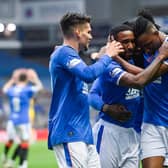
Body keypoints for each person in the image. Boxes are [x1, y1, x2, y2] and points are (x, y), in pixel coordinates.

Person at [48, 12, 125, 168]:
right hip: (68, 131)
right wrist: (108, 56)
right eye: (88, 32)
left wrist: (102, 57)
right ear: (77, 31)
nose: (91, 36)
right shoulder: (64, 52)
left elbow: (90, 71)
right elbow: (88, 75)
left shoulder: (72, 57)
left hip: (83, 133)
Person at [88, 24, 168, 168]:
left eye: (133, 41)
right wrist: (105, 107)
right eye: (125, 42)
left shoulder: (141, 62)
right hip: (110, 131)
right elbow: (92, 94)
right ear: (113, 42)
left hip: (133, 134)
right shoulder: (109, 65)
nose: (130, 46)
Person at [115, 10, 168, 168]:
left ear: (155, 32)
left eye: (148, 44)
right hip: (152, 124)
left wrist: (119, 60)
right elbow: (145, 75)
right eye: (142, 46)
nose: (146, 50)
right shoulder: (148, 50)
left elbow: (147, 77)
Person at [1, 68, 43, 168]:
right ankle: (22, 164)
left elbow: (4, 89)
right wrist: (34, 78)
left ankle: (9, 159)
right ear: (26, 79)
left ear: (17, 79)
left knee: (15, 141)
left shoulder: (12, 90)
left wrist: (12, 79)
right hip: (24, 120)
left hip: (12, 120)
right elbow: (40, 87)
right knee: (25, 142)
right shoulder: (27, 89)